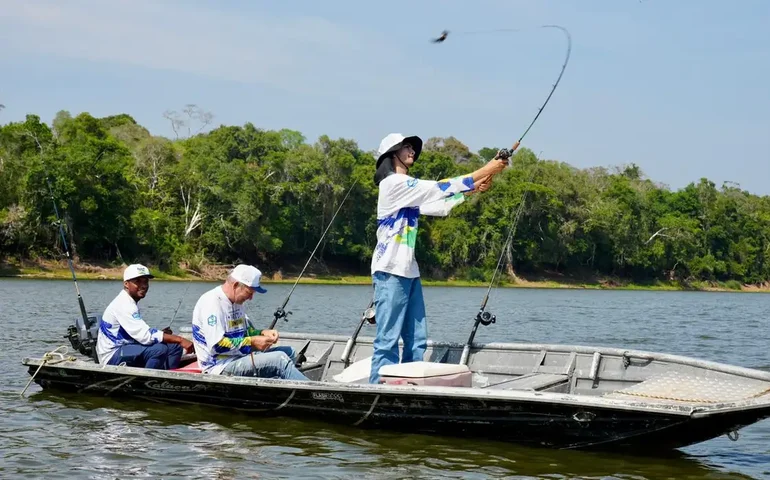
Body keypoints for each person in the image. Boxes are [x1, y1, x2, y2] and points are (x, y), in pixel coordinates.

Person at [369, 133, 507, 383]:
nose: (412, 150)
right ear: (392, 154)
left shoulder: (407, 189)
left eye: (412, 147)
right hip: (389, 271)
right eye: (406, 147)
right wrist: (486, 168)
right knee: (388, 339)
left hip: (409, 271)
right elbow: (439, 186)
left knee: (417, 339)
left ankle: (410, 385)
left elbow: (438, 205)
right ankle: (377, 388)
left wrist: (472, 189)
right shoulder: (392, 184)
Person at [191, 264, 309, 381]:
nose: (251, 298)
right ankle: (312, 394)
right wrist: (252, 342)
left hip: (239, 357)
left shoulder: (237, 302)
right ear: (236, 285)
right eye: (250, 292)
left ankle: (284, 389)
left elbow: (246, 332)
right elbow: (217, 346)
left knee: (290, 352)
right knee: (280, 360)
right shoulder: (211, 303)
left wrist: (262, 333)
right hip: (219, 366)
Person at [96, 264, 194, 369]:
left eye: (145, 281)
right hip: (112, 355)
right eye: (138, 281)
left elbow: (139, 334)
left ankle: (167, 378)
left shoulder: (129, 301)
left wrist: (165, 336)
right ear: (126, 284)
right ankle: (147, 381)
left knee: (175, 347)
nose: (143, 285)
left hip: (126, 346)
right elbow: (145, 336)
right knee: (159, 349)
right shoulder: (124, 304)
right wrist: (180, 339)